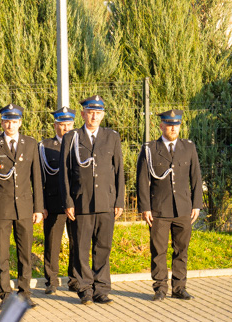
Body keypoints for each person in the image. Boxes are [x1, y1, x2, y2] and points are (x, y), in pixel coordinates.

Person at [60, 95, 125, 305]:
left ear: (103, 115)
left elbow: (119, 171)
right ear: (82, 114)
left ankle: (101, 289)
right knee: (80, 247)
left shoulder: (112, 137)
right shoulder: (72, 137)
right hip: (82, 202)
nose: (94, 116)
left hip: (106, 201)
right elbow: (65, 173)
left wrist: (119, 200)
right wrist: (68, 202)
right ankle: (85, 288)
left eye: (98, 112)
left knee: (103, 246)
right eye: (90, 112)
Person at [137, 109, 203, 301]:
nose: (173, 128)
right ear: (161, 126)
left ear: (180, 125)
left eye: (176, 124)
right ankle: (159, 288)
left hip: (183, 208)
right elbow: (142, 179)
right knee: (158, 250)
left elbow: (196, 178)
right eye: (169, 124)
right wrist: (145, 207)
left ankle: (179, 287)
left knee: (181, 249)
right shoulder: (150, 149)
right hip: (159, 209)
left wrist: (196, 204)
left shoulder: (188, 147)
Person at [0, 103, 43, 306]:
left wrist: (38, 208)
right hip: (1, 207)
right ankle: (6, 293)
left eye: (14, 121)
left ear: (20, 122)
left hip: (25, 207)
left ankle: (25, 292)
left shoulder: (31, 144)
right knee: (2, 252)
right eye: (7, 121)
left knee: (25, 251)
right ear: (2, 122)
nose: (11, 125)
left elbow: (37, 179)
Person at [38, 106, 76, 294]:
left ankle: (74, 279)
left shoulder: (79, 144)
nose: (65, 128)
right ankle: (51, 281)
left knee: (77, 242)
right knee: (52, 243)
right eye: (61, 124)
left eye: (68, 124)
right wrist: (42, 205)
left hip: (76, 203)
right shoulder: (44, 146)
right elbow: (40, 178)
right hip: (53, 202)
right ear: (55, 126)